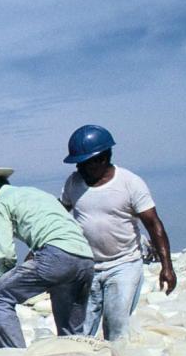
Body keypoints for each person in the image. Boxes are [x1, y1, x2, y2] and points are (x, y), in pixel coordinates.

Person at [60, 125, 176, 341]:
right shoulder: (73, 183)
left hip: (123, 265)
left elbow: (154, 225)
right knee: (80, 330)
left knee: (115, 327)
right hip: (87, 266)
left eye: (83, 163)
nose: (78, 167)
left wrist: (167, 267)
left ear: (102, 159)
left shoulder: (130, 183)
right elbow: (59, 214)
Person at [0, 165, 94, 349]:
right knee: (71, 334)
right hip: (85, 259)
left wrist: (6, 275)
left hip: (56, 256)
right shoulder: (33, 192)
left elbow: (5, 253)